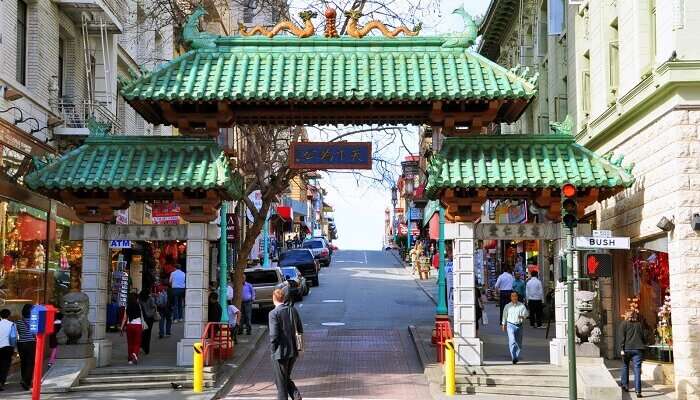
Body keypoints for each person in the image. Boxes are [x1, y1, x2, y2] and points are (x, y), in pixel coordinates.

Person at [269, 288, 303, 400]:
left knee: (281, 382)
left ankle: (293, 397)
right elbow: (300, 329)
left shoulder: (273, 313)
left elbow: (273, 335)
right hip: (293, 350)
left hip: (280, 352)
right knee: (285, 378)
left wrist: (273, 350)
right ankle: (296, 397)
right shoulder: (293, 310)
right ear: (283, 298)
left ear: (274, 298)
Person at [618, 310, 646, 398]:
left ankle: (625, 385)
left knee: (625, 365)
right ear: (635, 316)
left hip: (626, 349)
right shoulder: (639, 324)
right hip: (638, 349)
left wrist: (621, 349)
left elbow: (622, 338)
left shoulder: (623, 324)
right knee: (637, 370)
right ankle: (638, 391)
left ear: (626, 315)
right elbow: (643, 336)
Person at [501, 291, 529, 364]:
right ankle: (513, 357)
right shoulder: (507, 306)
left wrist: (523, 316)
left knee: (519, 344)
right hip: (510, 325)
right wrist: (503, 324)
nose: (514, 297)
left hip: (519, 326)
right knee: (512, 341)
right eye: (512, 296)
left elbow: (526, 313)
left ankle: (516, 356)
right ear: (510, 297)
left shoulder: (521, 306)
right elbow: (504, 315)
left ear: (517, 297)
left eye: (515, 296)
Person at [15, 304, 36, 390]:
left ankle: (23, 378)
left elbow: (17, 333)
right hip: (31, 343)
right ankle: (26, 381)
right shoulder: (34, 321)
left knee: (23, 362)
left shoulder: (18, 322)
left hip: (21, 344)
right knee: (30, 362)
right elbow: (35, 333)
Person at [121, 292, 144, 364]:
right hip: (137, 325)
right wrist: (143, 325)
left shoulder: (127, 306)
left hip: (129, 326)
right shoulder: (139, 305)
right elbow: (142, 316)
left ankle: (130, 359)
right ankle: (134, 353)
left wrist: (121, 327)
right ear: (136, 298)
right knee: (137, 342)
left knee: (130, 343)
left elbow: (125, 318)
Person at [0, 309, 17, 391]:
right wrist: (14, 348)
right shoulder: (12, 324)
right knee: (5, 366)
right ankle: (1, 383)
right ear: (9, 316)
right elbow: (13, 337)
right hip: (7, 348)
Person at [139, 289, 157, 355]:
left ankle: (141, 346)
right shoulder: (150, 299)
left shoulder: (140, 300)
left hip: (143, 318)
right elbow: (154, 307)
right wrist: (151, 313)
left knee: (142, 333)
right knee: (148, 334)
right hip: (150, 318)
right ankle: (147, 349)